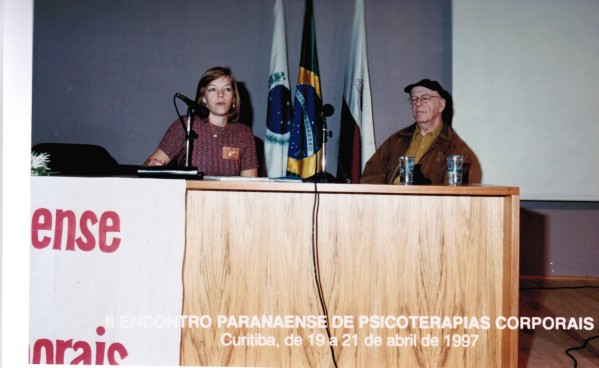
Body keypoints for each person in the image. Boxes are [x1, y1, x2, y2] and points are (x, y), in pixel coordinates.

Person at [361, 79, 481, 184]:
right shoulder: (397, 140)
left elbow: (454, 193)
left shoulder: (456, 148)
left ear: (441, 105)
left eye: (425, 98)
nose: (418, 103)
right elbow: (371, 175)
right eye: (414, 99)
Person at [144, 66, 259, 177]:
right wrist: (152, 165)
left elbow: (249, 184)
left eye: (227, 89)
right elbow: (148, 165)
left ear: (234, 97)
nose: (220, 94)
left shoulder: (244, 134)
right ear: (204, 98)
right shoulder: (187, 125)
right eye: (213, 89)